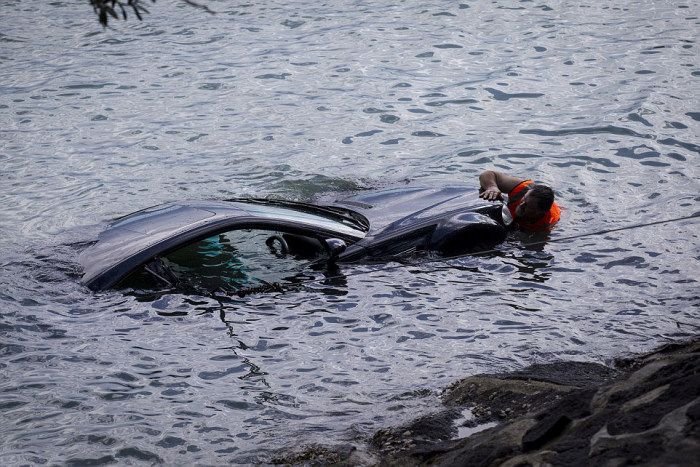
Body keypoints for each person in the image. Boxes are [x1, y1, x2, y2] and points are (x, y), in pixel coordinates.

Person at [478, 170, 560, 231]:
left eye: (527, 206)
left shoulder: (545, 225)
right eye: (524, 199)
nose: (521, 205)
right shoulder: (523, 189)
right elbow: (487, 174)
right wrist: (492, 187)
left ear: (540, 212)